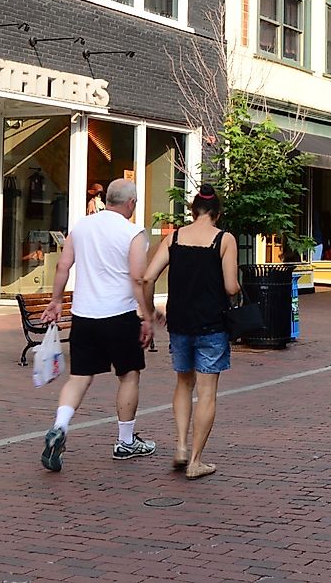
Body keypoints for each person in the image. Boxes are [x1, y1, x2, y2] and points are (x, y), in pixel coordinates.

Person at [39, 178, 156, 473]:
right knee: (129, 374)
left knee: (79, 377)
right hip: (120, 314)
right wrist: (146, 315)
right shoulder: (133, 233)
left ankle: (60, 426)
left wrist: (55, 302)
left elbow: (62, 266)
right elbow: (137, 278)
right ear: (130, 203)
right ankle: (125, 441)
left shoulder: (81, 227)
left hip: (85, 315)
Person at [142, 184, 240, 480]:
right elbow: (230, 287)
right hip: (212, 324)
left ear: (192, 211)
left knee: (183, 384)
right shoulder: (224, 239)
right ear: (217, 213)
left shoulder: (173, 238)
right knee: (207, 392)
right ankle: (196, 461)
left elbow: (147, 278)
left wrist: (150, 312)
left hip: (179, 323)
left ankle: (182, 446)